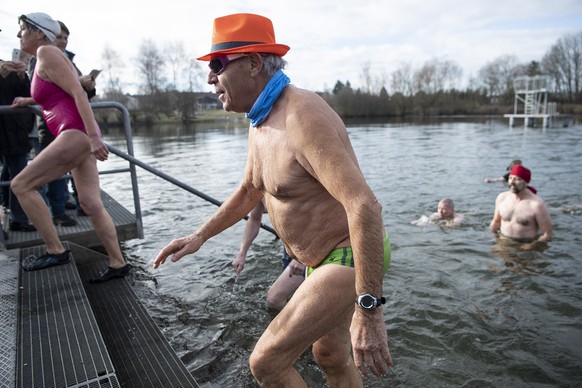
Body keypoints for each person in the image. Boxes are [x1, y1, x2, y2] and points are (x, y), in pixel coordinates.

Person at [153, 13, 392, 386]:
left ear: (252, 63)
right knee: (329, 354)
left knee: (266, 362)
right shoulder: (260, 119)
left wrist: (370, 309)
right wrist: (200, 236)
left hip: (346, 253)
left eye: (217, 65)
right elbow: (250, 189)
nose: (209, 78)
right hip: (317, 259)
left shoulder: (301, 115)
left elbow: (364, 205)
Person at [11, 12, 129, 282]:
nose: (19, 35)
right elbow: (57, 95)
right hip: (77, 133)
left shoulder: (47, 52)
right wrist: (28, 101)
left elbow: (77, 92)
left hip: (75, 133)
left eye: (22, 30)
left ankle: (55, 249)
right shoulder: (45, 56)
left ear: (39, 33)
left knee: (21, 185)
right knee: (90, 203)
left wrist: (93, 137)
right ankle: (118, 262)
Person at [233, 199, 305, 310]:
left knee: (274, 299)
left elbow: (323, 215)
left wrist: (304, 256)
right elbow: (254, 219)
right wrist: (242, 253)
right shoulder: (258, 185)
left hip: (312, 247)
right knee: (295, 295)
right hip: (289, 249)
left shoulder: (298, 184)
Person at [0, 51, 37, 232]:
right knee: (15, 173)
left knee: (16, 173)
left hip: (13, 132)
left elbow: (26, 95)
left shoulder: (5, 65)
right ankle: (12, 212)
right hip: (7, 131)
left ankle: (17, 217)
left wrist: (23, 76)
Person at [490, 164, 552, 245]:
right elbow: (496, 222)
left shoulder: (536, 204)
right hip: (503, 242)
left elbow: (547, 234)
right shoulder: (502, 198)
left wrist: (531, 246)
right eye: (510, 178)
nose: (512, 182)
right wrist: (493, 239)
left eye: (517, 179)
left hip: (525, 245)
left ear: (526, 182)